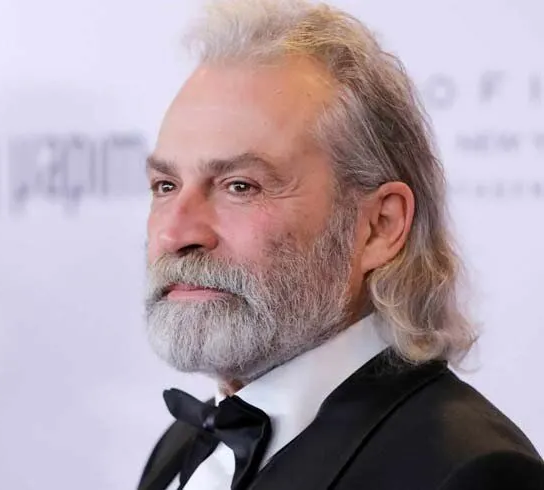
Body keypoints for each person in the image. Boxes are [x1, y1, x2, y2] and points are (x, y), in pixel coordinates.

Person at [138, 1, 544, 489]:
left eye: (240, 186)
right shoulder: (181, 445)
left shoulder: (470, 472)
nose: (176, 234)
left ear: (379, 227)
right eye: (165, 186)